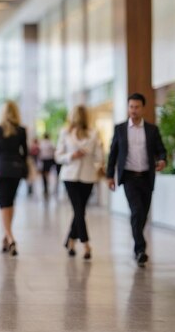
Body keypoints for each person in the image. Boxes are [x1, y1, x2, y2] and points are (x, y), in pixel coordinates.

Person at [106, 93, 166, 267]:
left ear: (143, 108)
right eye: (131, 107)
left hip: (147, 177)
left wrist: (162, 159)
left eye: (137, 107)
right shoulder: (120, 129)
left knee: (143, 215)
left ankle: (138, 246)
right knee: (137, 211)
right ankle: (140, 249)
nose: (133, 110)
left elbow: (161, 150)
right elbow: (113, 154)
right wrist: (110, 176)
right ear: (128, 108)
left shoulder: (152, 130)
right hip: (130, 177)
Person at [56, 105, 104, 260]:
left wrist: (93, 158)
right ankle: (86, 244)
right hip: (69, 176)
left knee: (80, 211)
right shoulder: (65, 133)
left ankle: (70, 241)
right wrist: (72, 156)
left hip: (88, 177)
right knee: (78, 209)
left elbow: (99, 158)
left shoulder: (94, 134)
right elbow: (58, 156)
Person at [0, 101, 27, 257]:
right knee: (10, 203)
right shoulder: (21, 130)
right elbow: (25, 153)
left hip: (1, 170)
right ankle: (6, 237)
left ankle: (11, 238)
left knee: (3, 204)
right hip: (16, 169)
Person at [39, 133, 57, 197]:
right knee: (49, 174)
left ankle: (46, 187)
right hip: (49, 160)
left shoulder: (41, 143)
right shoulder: (50, 143)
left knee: (44, 175)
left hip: (44, 160)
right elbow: (54, 150)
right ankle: (50, 186)